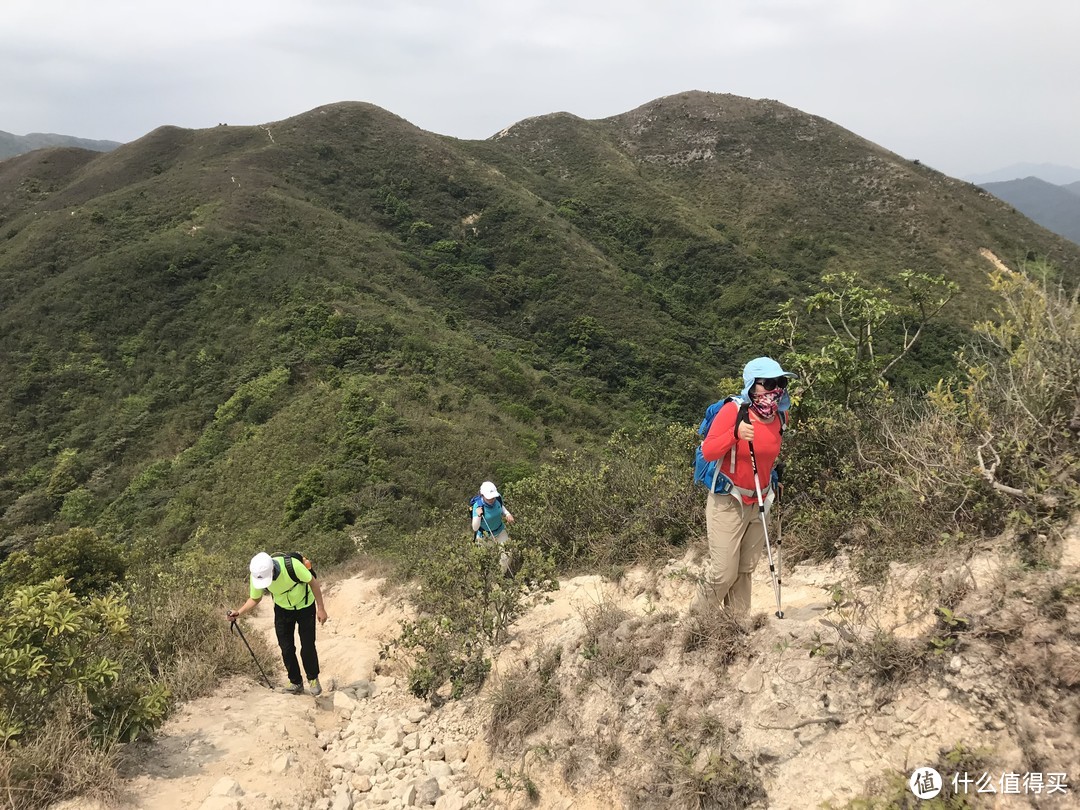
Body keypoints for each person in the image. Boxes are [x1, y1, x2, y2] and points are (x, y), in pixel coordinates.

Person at [691, 357, 794, 616]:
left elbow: (767, 455)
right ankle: (694, 624)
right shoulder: (733, 412)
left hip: (761, 500)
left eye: (780, 382)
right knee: (724, 572)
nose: (776, 389)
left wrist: (774, 478)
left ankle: (735, 628)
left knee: (744, 571)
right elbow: (710, 450)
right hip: (729, 500)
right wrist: (735, 434)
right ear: (752, 386)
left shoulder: (781, 416)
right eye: (769, 383)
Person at [227, 552, 328, 695]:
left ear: (273, 569)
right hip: (282, 609)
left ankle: (313, 678)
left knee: (307, 645)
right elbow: (255, 598)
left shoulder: (292, 566)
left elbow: (313, 583)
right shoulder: (257, 575)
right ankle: (295, 682)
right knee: (286, 647)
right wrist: (239, 612)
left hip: (305, 605)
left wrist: (321, 609)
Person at [471, 480, 515, 575]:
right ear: (482, 495)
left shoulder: (497, 499)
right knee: (487, 560)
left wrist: (507, 514)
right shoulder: (477, 506)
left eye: (493, 497)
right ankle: (489, 580)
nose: (492, 500)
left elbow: (501, 506)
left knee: (507, 554)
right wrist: (478, 516)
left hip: (500, 531)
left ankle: (500, 576)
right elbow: (475, 528)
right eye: (489, 498)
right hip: (485, 536)